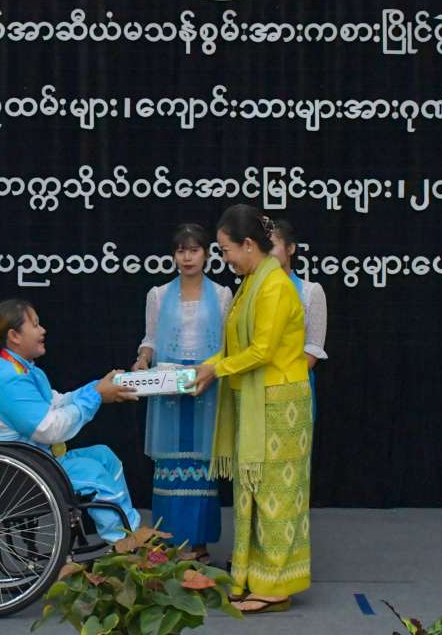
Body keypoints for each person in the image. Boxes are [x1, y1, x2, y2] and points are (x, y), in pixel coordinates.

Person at [191, 204, 312, 614]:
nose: (224, 258)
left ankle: (276, 586)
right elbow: (234, 347)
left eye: (226, 250)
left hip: (280, 403)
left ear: (247, 244)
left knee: (277, 495)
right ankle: (250, 576)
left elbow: (261, 351)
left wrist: (216, 369)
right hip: (256, 400)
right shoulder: (251, 283)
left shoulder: (273, 285)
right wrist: (208, 365)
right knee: (253, 493)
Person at [0, 299, 140, 542]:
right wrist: (96, 396)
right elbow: (49, 428)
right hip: (22, 474)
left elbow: (56, 402)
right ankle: (124, 545)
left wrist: (97, 388)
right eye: (36, 325)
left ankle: (129, 534)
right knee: (95, 474)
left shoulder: (22, 369)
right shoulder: (9, 378)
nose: (43, 330)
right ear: (14, 336)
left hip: (36, 461)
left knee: (105, 457)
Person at [132, 223, 232, 561]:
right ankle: (169, 542)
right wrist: (142, 360)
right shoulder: (158, 295)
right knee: (170, 465)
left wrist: (211, 370)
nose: (187, 257)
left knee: (202, 464)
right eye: (181, 250)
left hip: (207, 382)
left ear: (207, 254)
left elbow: (229, 345)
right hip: (169, 385)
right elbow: (150, 339)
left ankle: (199, 544)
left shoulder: (222, 295)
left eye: (194, 250)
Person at [269, 218, 327, 421]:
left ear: (291, 248)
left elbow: (313, 347)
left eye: (272, 246)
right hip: (256, 387)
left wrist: (280, 380)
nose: (267, 253)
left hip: (295, 385)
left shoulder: (311, 292)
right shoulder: (252, 292)